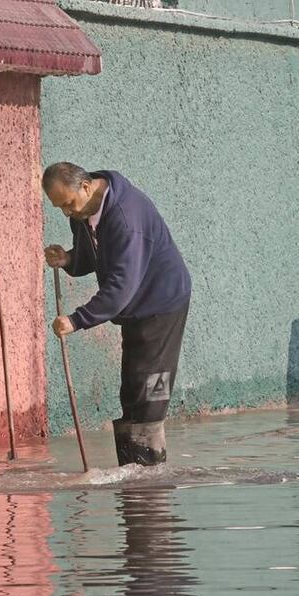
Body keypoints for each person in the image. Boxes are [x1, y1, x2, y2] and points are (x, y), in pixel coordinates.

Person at [42, 163, 191, 466]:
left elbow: (122, 287)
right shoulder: (85, 212)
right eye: (60, 207)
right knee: (133, 389)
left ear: (86, 186)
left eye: (68, 204)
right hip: (135, 309)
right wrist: (68, 259)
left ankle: (149, 481)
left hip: (161, 305)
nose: (67, 213)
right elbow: (90, 258)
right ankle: (133, 477)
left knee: (150, 390)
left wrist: (77, 319)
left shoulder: (126, 217)